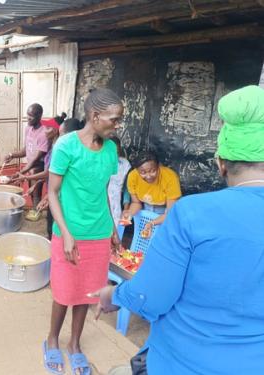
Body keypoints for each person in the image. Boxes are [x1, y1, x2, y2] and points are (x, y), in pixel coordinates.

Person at [93, 85, 264, 375]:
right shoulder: (142, 184)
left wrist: (113, 296)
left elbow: (152, 296)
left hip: (183, 362)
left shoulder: (192, 214)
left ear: (221, 163)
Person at [43, 88, 123, 375]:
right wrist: (65, 232)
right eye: (114, 119)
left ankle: (75, 344)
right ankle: (52, 338)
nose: (117, 125)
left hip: (99, 234)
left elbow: (102, 191)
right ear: (95, 115)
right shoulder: (66, 146)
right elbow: (52, 193)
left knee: (88, 293)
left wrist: (112, 226)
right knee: (64, 292)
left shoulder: (111, 150)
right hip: (70, 232)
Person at [121, 151, 181, 233]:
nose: (148, 176)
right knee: (145, 236)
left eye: (152, 171)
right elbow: (136, 203)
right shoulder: (133, 177)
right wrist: (128, 216)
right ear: (137, 170)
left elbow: (170, 214)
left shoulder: (170, 177)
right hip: (146, 207)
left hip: (165, 210)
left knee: (161, 235)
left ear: (158, 166)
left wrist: (152, 223)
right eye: (143, 172)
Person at [5, 103, 48, 212]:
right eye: (27, 114)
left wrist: (22, 172)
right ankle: (35, 211)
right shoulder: (28, 129)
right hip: (30, 166)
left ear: (39, 116)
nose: (28, 118)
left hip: (39, 167)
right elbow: (26, 150)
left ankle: (36, 212)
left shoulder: (43, 133)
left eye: (31, 115)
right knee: (31, 191)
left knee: (35, 191)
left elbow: (36, 159)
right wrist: (12, 155)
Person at [108, 136, 132, 227]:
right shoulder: (97, 162)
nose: (114, 155)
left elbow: (127, 189)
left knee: (117, 230)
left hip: (116, 205)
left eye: (116, 152)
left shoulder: (125, 164)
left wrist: (126, 209)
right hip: (98, 204)